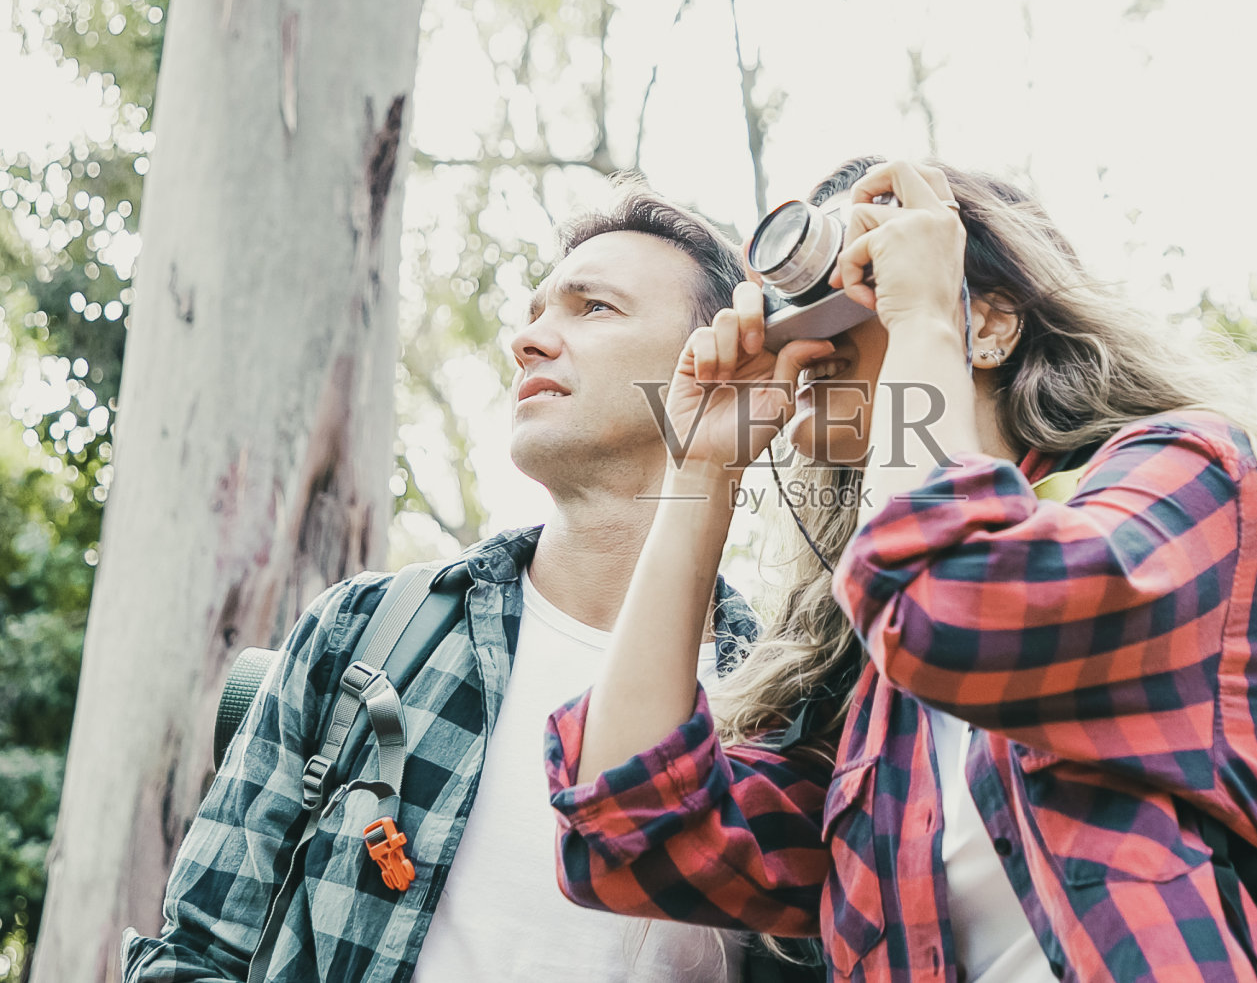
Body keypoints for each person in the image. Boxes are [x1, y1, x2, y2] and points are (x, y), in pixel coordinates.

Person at [545, 157, 1257, 982]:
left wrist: (924, 314)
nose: (813, 338)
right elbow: (633, 832)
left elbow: (954, 603)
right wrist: (702, 471)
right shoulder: (875, 715)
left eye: (862, 284)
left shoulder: (1190, 479)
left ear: (988, 324)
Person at [121, 186, 788, 983]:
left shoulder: (784, 710)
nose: (528, 339)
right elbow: (193, 953)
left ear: (718, 359)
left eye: (594, 308)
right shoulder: (364, 631)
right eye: (536, 311)